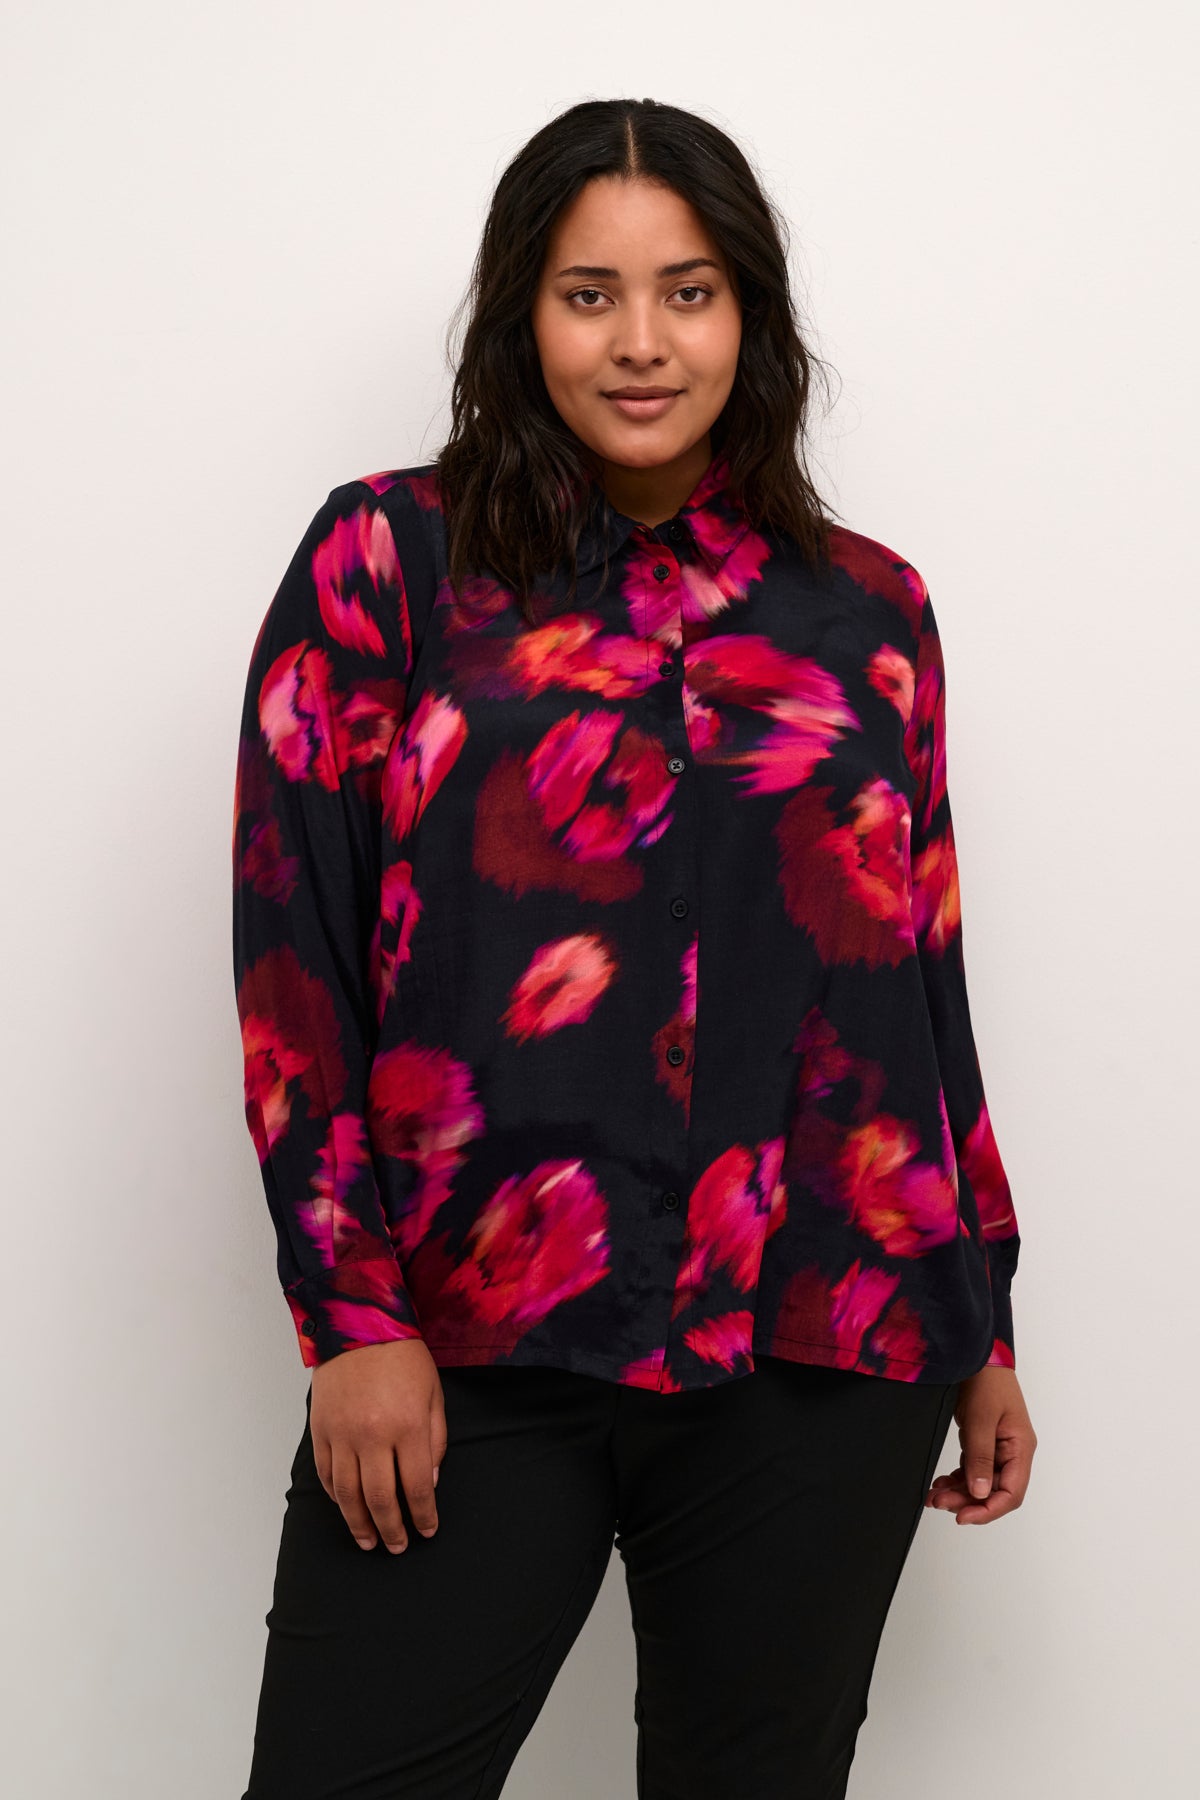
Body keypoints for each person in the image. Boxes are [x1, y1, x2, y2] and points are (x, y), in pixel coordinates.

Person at [231, 96, 1037, 1800]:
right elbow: (292, 958)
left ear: (752, 313)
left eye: (688, 291)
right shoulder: (392, 558)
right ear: (522, 316)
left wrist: (984, 1316)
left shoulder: (869, 607)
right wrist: (351, 1317)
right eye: (589, 294)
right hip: (478, 1326)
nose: (642, 342)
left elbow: (921, 976)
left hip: (822, 1329)